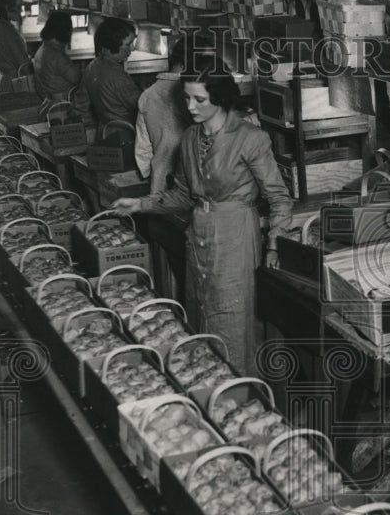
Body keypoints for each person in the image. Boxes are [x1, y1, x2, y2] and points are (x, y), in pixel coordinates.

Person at [112, 58, 293, 375]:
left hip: (236, 239)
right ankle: (208, 397)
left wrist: (275, 244)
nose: (191, 106)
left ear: (220, 98)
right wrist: (142, 205)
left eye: (199, 99)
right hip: (199, 238)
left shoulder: (250, 139)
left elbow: (278, 197)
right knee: (201, 320)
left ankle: (241, 395)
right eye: (186, 98)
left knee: (233, 324)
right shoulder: (190, 139)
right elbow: (183, 195)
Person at [134, 33, 202, 194]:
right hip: (194, 183)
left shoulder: (147, 94)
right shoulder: (194, 93)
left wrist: (152, 175)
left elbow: (142, 149)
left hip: (161, 182)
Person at [81, 16, 141, 132]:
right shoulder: (119, 77)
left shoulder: (91, 67)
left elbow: (80, 104)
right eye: (128, 44)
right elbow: (142, 108)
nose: (132, 48)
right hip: (127, 136)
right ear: (114, 44)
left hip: (105, 133)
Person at [31, 11, 83, 112]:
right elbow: (78, 79)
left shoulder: (41, 50)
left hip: (49, 103)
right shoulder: (56, 55)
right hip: (62, 106)